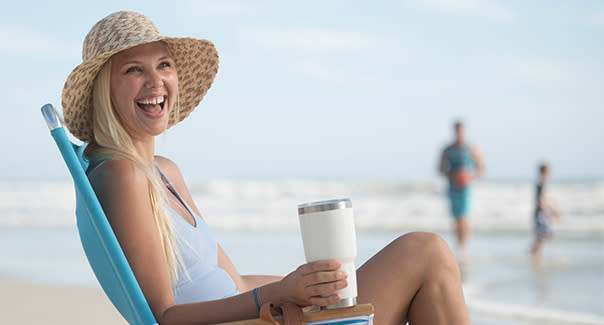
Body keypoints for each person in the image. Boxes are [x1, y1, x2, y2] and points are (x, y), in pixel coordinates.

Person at [62, 11, 470, 324]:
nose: (155, 82)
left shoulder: (163, 171)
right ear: (104, 88)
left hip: (254, 317)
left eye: (163, 65)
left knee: (425, 258)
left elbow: (234, 284)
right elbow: (165, 316)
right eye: (134, 70)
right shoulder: (121, 175)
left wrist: (294, 289)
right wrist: (270, 296)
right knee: (426, 252)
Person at [438, 120, 485, 260]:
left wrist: (469, 176)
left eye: (461, 130)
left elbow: (481, 167)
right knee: (455, 218)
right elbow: (440, 168)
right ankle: (457, 244)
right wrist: (451, 174)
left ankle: (464, 246)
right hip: (452, 185)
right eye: (456, 130)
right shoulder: (447, 149)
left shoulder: (471, 148)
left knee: (464, 217)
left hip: (466, 187)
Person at [530, 163, 561, 261]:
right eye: (548, 171)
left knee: (543, 237)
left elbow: (544, 200)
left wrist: (552, 209)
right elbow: (540, 201)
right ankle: (533, 255)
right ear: (544, 172)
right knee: (542, 236)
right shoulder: (541, 184)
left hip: (541, 213)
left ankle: (535, 255)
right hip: (540, 214)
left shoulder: (541, 184)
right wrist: (551, 211)